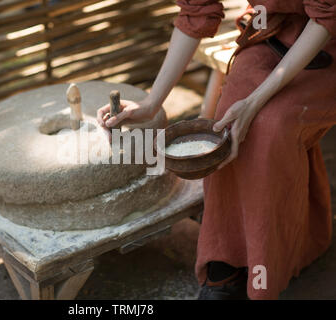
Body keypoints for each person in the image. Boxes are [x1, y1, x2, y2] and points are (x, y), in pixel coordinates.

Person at [96, 0, 336, 300]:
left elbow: (326, 15)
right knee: (225, 129)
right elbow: (196, 10)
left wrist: (254, 101)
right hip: (269, 30)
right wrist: (151, 103)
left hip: (326, 36)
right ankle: (225, 262)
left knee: (272, 125)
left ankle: (264, 276)